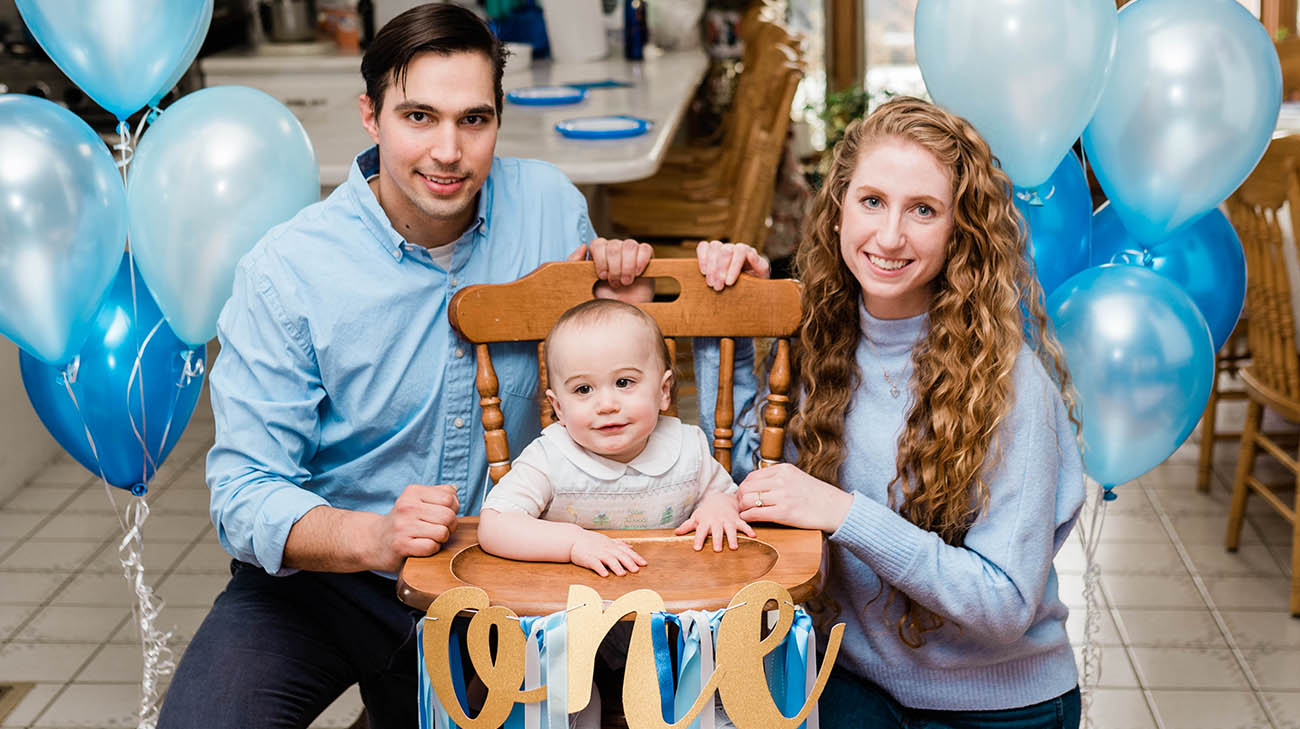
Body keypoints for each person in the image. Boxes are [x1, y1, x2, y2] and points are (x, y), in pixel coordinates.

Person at [157, 5, 761, 728]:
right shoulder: (286, 272)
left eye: (474, 120)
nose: (448, 149)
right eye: (419, 116)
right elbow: (243, 491)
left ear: (499, 119)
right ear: (371, 116)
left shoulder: (546, 207)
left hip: (496, 576)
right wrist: (372, 536)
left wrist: (702, 280)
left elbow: (610, 366)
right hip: (326, 581)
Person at [704, 97, 1086, 728]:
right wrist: (731, 319)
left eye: (924, 211)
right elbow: (760, 477)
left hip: (997, 703)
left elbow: (1005, 603)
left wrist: (845, 515)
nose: (888, 237)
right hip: (854, 684)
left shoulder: (1011, 384)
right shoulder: (817, 342)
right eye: (872, 201)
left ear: (961, 232)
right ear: (836, 213)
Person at [478, 298, 751, 576]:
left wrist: (719, 507)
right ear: (559, 407)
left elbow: (727, 496)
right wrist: (573, 543)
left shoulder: (688, 449)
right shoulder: (550, 458)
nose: (607, 404)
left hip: (671, 595)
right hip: (573, 603)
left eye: (624, 382)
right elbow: (495, 525)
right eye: (583, 389)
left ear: (663, 391)